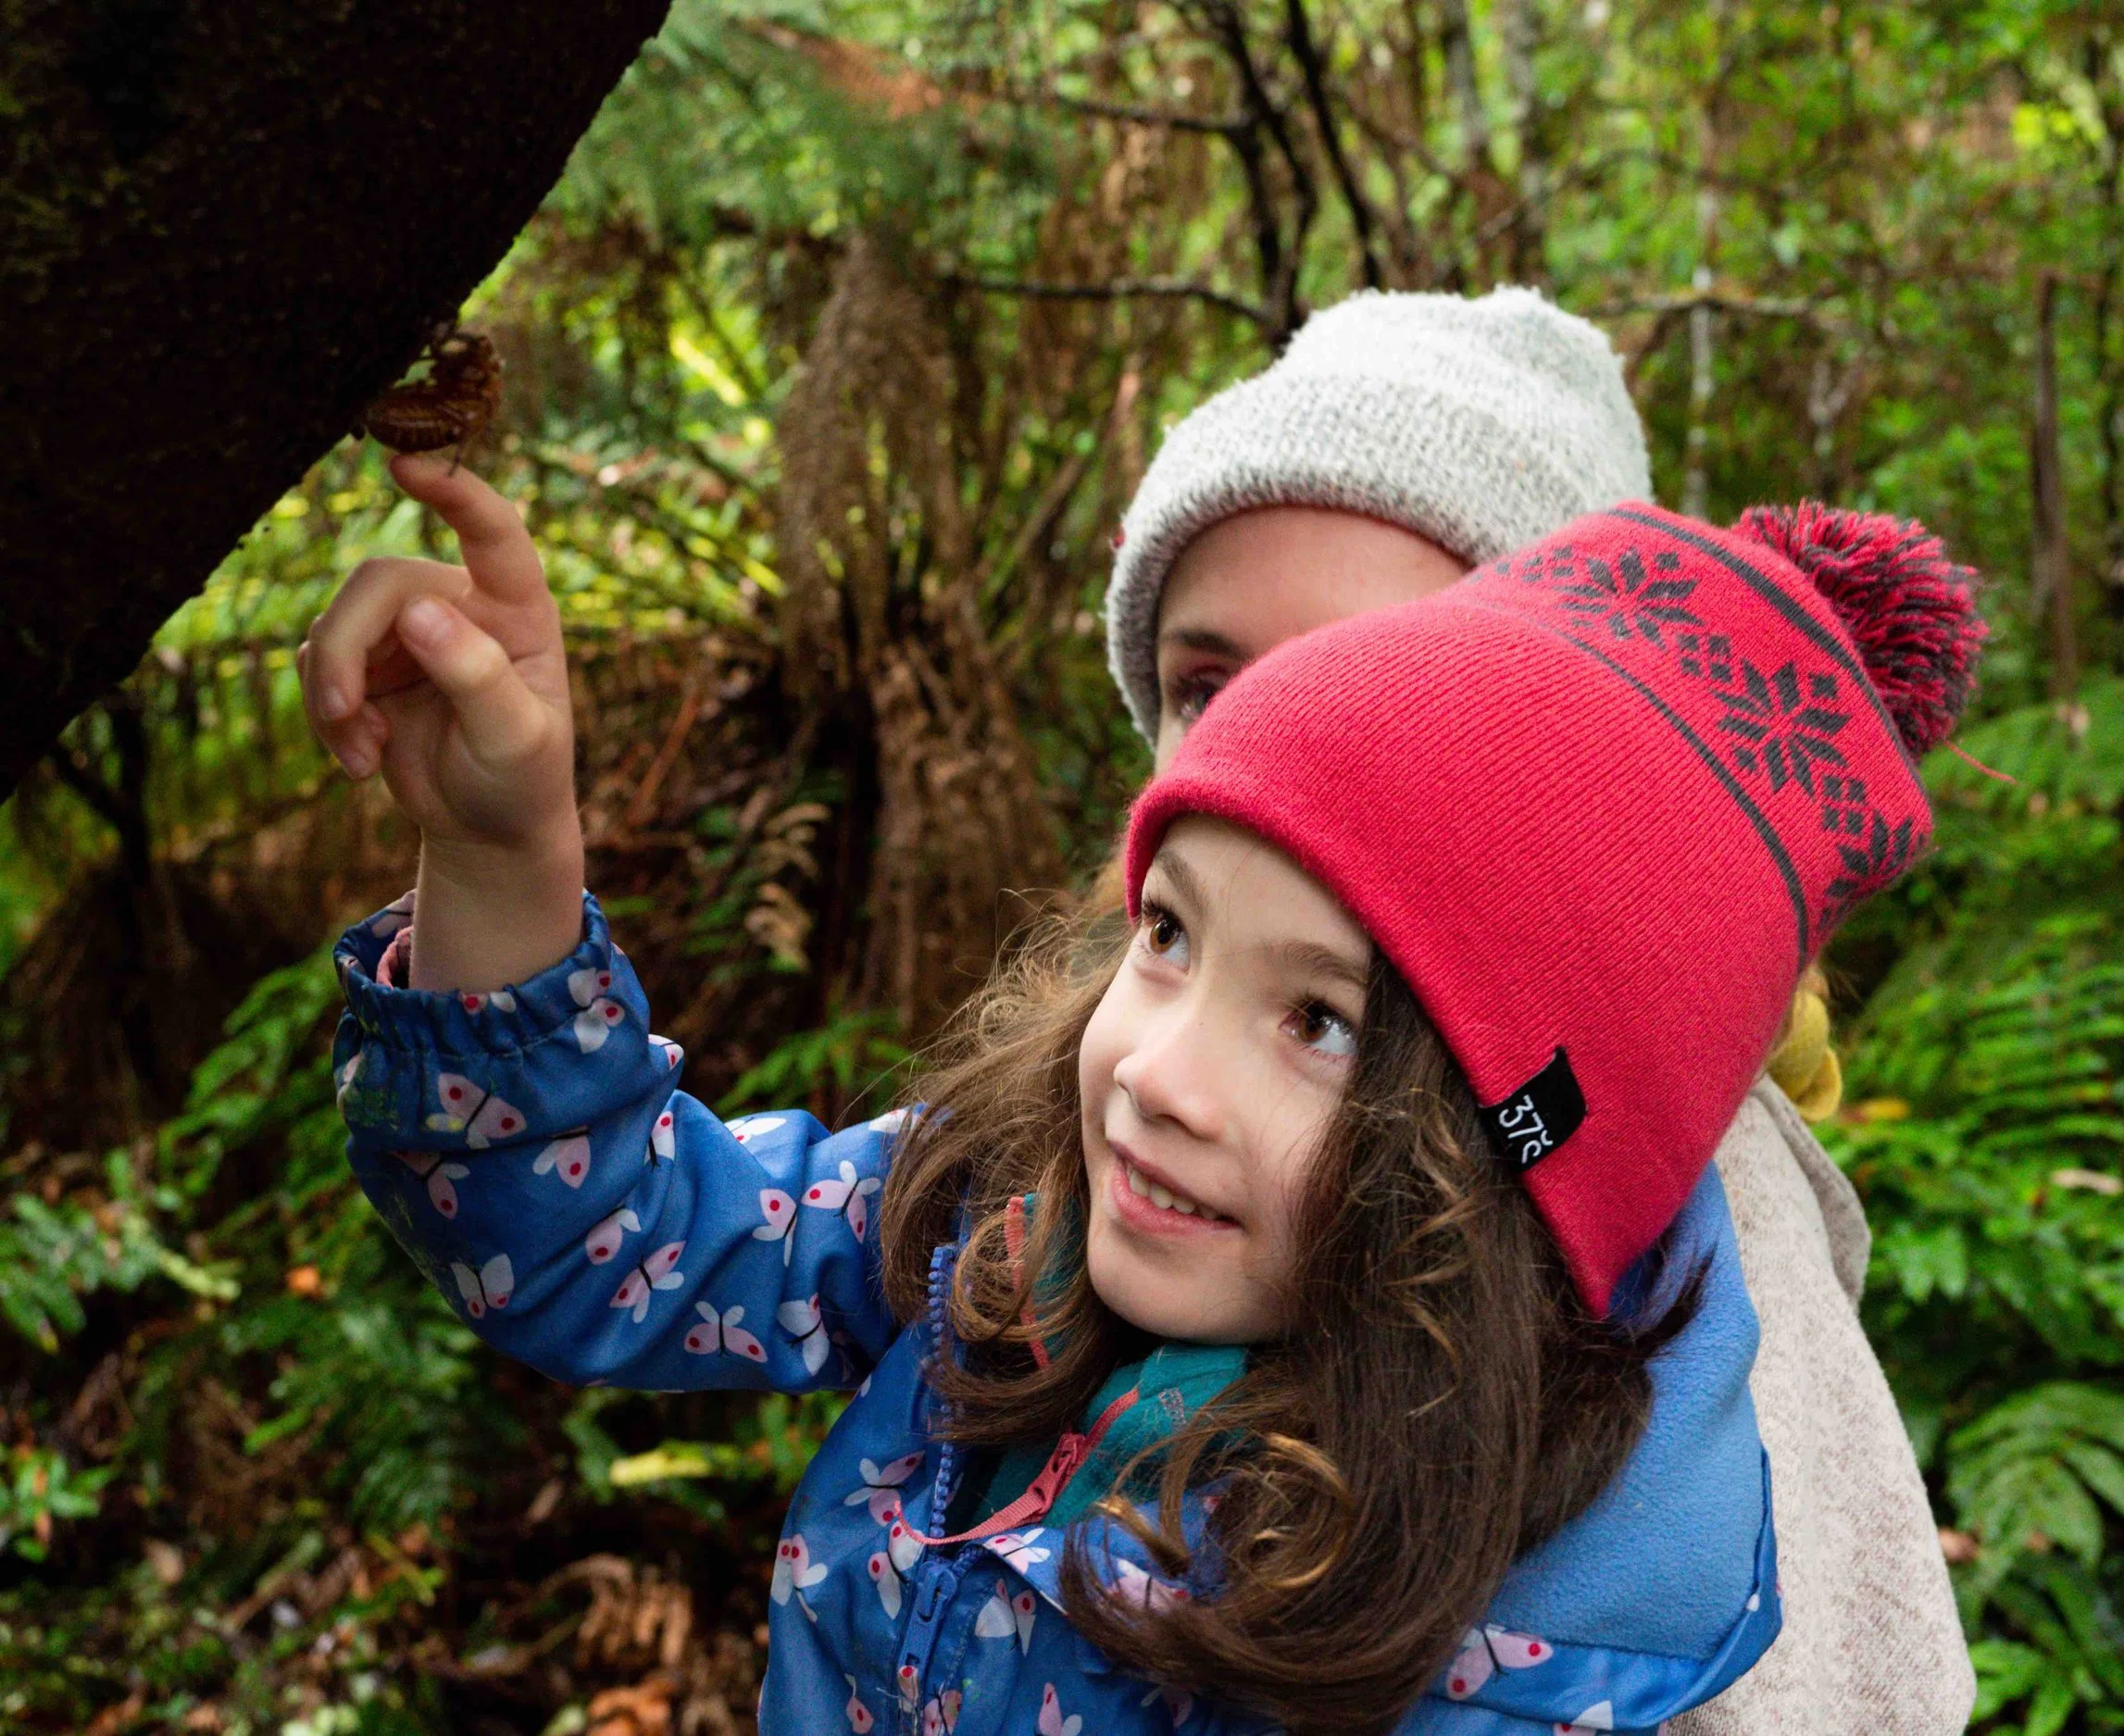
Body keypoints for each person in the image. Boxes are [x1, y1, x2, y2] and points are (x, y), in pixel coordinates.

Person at [305, 436, 1980, 1730]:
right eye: (1170, 935)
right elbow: (608, 1241)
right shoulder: (1005, 1214)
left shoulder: (1523, 1644)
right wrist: (503, 860)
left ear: (1514, 1148)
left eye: (1321, 1022)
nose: (1159, 1075)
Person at [1096, 289, 1974, 1734]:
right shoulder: (1117, 1052)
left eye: (1364, 675)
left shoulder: (1685, 1247)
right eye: (1210, 681)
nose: (1278, 745)